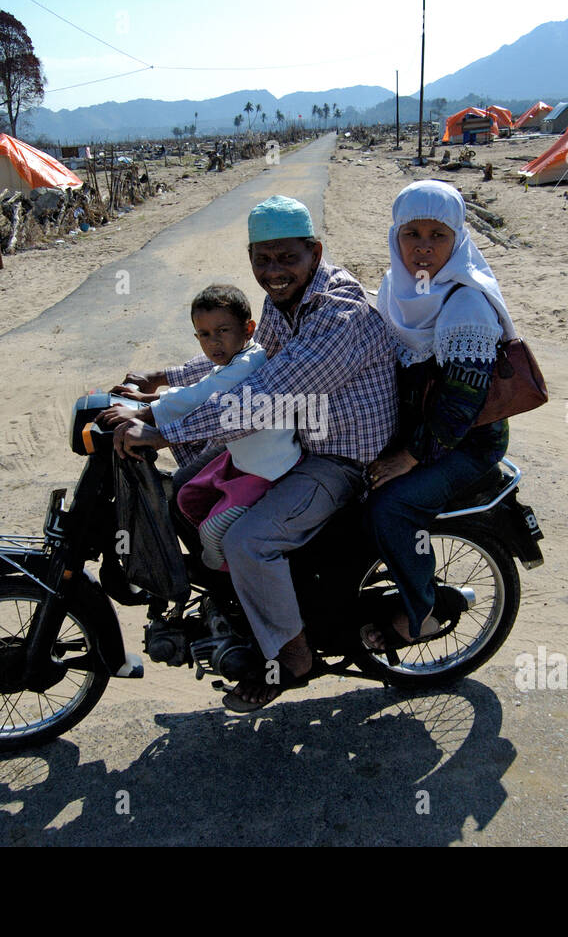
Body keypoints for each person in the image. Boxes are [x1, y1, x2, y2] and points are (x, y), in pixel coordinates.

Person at [111, 194, 396, 711]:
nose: (274, 270)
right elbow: (245, 363)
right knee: (184, 492)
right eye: (262, 259)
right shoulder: (282, 303)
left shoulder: (338, 315)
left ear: (314, 251)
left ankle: (291, 656)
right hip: (292, 442)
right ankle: (240, 605)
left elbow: (267, 397)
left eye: (287, 257)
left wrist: (163, 427)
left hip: (337, 458)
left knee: (247, 540)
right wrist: (164, 380)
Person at [360, 179, 512, 652]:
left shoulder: (465, 304)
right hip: (413, 428)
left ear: (458, 237)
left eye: (438, 235)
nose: (423, 248)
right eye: (412, 234)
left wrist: (409, 457)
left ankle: (419, 612)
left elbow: (459, 407)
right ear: (395, 236)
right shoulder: (395, 287)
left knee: (392, 506)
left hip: (465, 443)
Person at [97, 285, 302, 570]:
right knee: (187, 498)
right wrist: (150, 398)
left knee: (212, 531)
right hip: (241, 461)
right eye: (204, 335)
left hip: (267, 471)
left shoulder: (248, 363)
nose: (213, 342)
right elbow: (200, 388)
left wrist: (145, 411)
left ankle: (232, 582)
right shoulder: (235, 360)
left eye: (222, 331)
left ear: (248, 329)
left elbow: (202, 396)